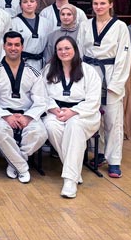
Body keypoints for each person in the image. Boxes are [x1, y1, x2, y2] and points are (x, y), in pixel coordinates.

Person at [77, 0, 131, 178]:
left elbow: (123, 57)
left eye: (102, 3)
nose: (98, 7)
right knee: (93, 116)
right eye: (95, 4)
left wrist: (116, 83)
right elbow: (79, 52)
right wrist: (80, 78)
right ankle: (99, 153)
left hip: (110, 74)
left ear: (111, 5)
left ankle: (114, 160)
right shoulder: (85, 25)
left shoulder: (120, 27)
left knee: (112, 121)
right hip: (89, 73)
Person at [0, 31, 48, 183]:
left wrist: (28, 117)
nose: (13, 48)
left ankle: (14, 162)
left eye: (17, 45)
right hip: (1, 115)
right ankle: (22, 167)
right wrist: (6, 116)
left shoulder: (34, 73)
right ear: (3, 46)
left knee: (40, 133)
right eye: (9, 44)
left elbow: (41, 101)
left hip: (27, 114)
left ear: (22, 47)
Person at [43, 36, 101, 198]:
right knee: (50, 126)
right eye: (60, 49)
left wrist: (73, 112)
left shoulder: (88, 71)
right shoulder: (48, 70)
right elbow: (41, 94)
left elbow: (94, 100)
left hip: (83, 113)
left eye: (67, 48)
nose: (64, 52)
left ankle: (70, 181)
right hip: (56, 111)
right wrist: (53, 109)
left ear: (75, 50)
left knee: (74, 126)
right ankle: (74, 171)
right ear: (56, 52)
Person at [10, 0, 51, 71]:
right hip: (21, 63)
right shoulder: (13, 23)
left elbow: (48, 46)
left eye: (32, 1)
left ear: (36, 3)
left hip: (41, 64)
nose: (29, 4)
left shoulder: (45, 23)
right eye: (25, 2)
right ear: (21, 5)